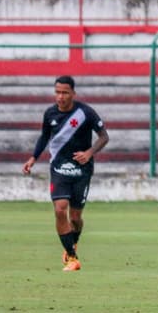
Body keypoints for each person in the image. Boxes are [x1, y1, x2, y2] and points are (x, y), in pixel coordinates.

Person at [22, 75, 109, 272]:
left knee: (76, 217)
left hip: (81, 169)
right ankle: (71, 257)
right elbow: (44, 136)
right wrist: (33, 158)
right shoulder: (50, 114)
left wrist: (89, 153)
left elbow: (104, 137)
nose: (60, 97)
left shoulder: (85, 113)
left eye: (64, 93)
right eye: (57, 92)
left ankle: (72, 243)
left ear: (73, 93)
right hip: (59, 167)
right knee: (60, 209)